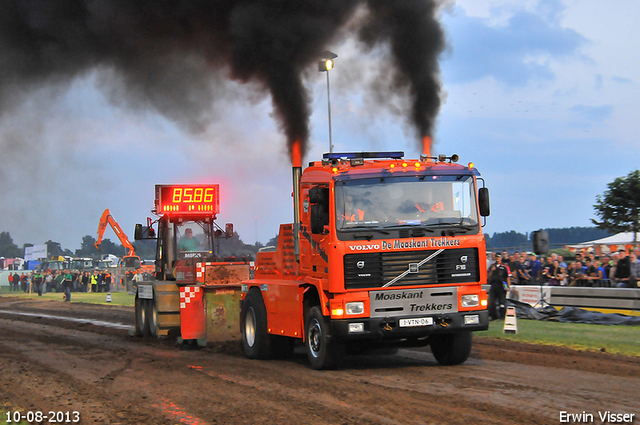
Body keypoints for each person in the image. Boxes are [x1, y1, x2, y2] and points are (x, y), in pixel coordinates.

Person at [487, 253, 511, 320]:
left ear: (501, 258)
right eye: (496, 257)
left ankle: (502, 316)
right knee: (491, 302)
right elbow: (489, 276)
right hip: (494, 285)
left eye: (499, 257)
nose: (498, 259)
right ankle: (493, 316)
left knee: (502, 302)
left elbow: (508, 277)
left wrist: (508, 286)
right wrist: (492, 270)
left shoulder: (505, 266)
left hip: (502, 285)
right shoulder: (492, 266)